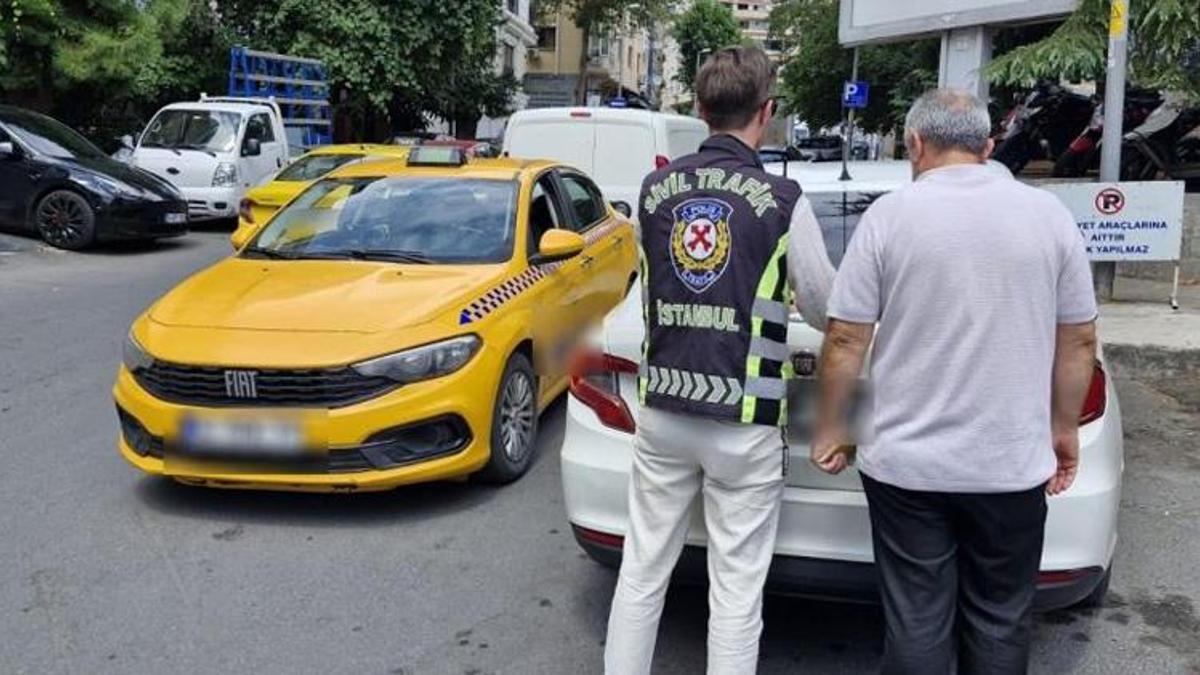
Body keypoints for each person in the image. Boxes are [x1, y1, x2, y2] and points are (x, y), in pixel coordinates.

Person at [812, 88, 1099, 675]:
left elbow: (845, 339)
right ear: (988, 146)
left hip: (906, 469)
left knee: (917, 620)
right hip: (1011, 466)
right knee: (1000, 618)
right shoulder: (1049, 217)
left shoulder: (889, 216)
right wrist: (1062, 430)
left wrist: (836, 427)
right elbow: (1079, 341)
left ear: (915, 144)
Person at [603, 46, 835, 675]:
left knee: (642, 571)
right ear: (768, 111)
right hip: (745, 419)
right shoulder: (785, 200)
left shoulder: (653, 192)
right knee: (735, 591)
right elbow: (824, 307)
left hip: (664, 411)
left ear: (701, 109)